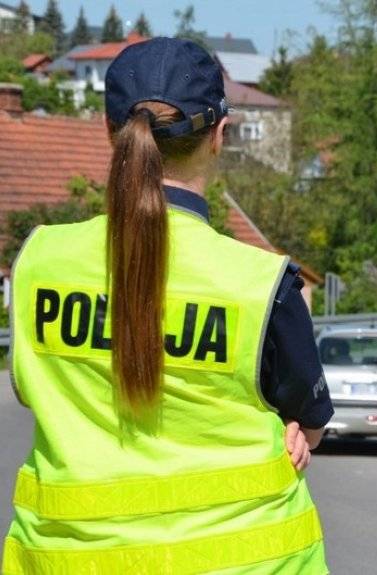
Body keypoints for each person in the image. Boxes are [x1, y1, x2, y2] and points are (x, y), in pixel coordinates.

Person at [2, 38, 332, 574]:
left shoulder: (38, 260)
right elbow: (309, 425)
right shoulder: (262, 283)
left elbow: (28, 386)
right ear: (220, 136)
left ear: (109, 131)